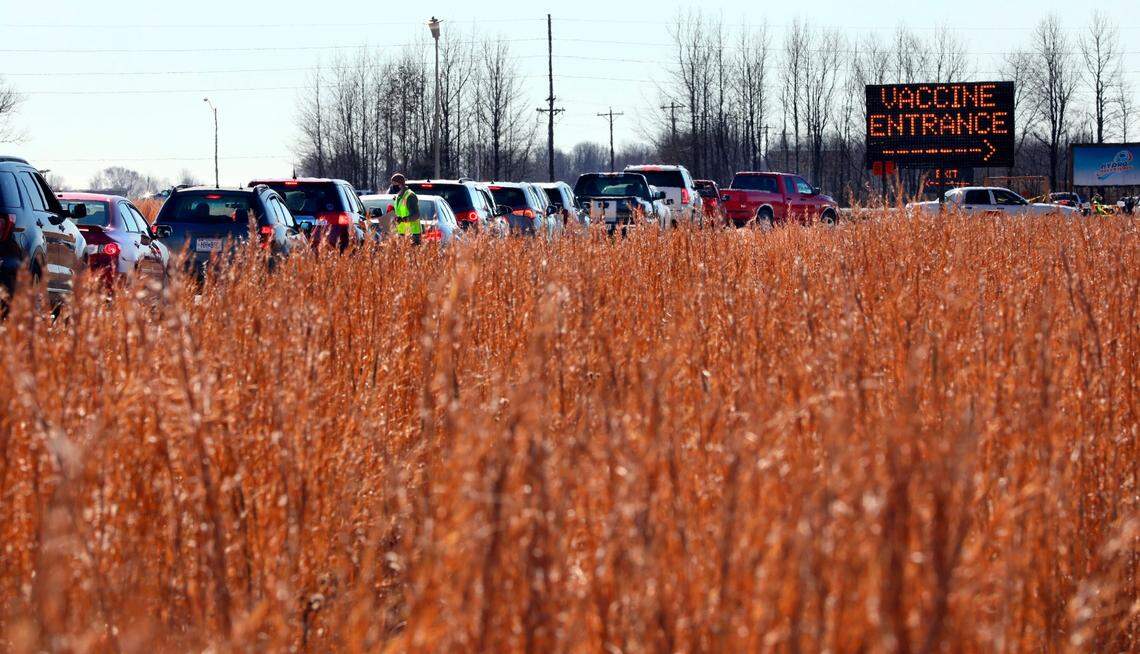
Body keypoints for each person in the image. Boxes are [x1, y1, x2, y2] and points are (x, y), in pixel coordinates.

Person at [388, 173, 421, 245]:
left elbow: (416, 215)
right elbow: (400, 212)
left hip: (413, 235)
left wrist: (403, 219)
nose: (392, 186)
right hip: (401, 234)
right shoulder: (398, 197)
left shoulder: (410, 196)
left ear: (400, 184)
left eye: (394, 183)